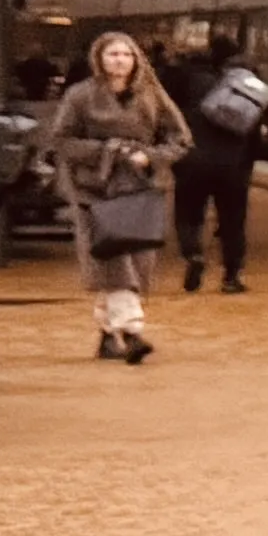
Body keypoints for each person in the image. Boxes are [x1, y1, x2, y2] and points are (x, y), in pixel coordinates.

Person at [37, 27, 188, 365]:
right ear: (99, 60)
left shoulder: (152, 95)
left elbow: (180, 139)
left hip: (141, 191)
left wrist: (151, 157)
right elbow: (62, 139)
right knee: (114, 260)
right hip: (93, 191)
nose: (119, 61)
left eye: (126, 54)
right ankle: (132, 333)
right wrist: (108, 152)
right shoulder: (80, 96)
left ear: (136, 60)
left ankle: (107, 335)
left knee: (134, 262)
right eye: (112, 54)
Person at [167, 26, 268, 293]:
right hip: (233, 164)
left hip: (193, 158)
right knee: (233, 220)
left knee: (189, 214)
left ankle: (194, 255)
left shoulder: (186, 76)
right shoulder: (248, 83)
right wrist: (248, 161)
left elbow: (167, 116)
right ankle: (232, 276)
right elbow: (264, 126)